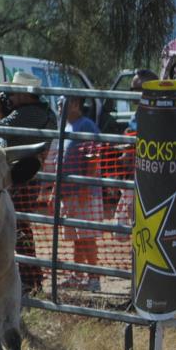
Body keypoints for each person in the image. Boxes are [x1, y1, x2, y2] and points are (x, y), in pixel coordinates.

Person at [0, 71, 56, 293]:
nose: (10, 95)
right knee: (20, 225)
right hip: (28, 174)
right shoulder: (43, 111)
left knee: (18, 226)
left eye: (14, 92)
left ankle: (30, 278)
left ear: (23, 94)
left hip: (21, 175)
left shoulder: (27, 113)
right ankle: (29, 277)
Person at [59, 96, 103, 292]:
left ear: (75, 104)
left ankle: (94, 279)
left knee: (87, 236)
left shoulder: (86, 125)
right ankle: (77, 276)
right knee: (77, 236)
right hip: (69, 192)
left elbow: (94, 158)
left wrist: (85, 186)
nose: (59, 108)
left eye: (62, 104)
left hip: (84, 192)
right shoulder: (66, 127)